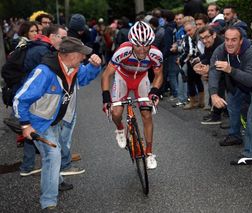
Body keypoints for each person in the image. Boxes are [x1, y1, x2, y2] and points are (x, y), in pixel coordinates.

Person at [13, 37, 102, 210]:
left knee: (58, 152)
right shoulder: (44, 72)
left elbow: (84, 78)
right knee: (52, 156)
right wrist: (25, 125)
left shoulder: (74, 68)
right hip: (40, 123)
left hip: (60, 120)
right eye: (81, 54)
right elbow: (20, 99)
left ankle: (57, 181)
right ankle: (48, 201)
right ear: (69, 54)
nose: (84, 57)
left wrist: (94, 67)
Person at [208, 27, 252, 165]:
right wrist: (214, 94)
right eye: (227, 39)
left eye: (234, 40)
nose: (229, 43)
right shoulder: (221, 49)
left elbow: (251, 80)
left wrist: (230, 69)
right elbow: (214, 70)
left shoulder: (250, 52)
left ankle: (251, 153)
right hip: (245, 86)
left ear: (241, 41)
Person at [101, 21, 163, 169]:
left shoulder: (155, 54)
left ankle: (149, 153)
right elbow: (106, 75)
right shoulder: (122, 52)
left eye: (146, 45)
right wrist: (106, 98)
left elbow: (159, 75)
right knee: (116, 112)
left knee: (147, 115)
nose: (142, 50)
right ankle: (120, 128)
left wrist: (154, 92)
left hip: (141, 79)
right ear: (131, 43)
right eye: (138, 45)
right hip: (122, 77)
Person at [193, 26, 224, 125]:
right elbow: (208, 57)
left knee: (218, 89)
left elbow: (220, 63)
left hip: (228, 72)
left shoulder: (221, 45)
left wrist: (208, 69)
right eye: (202, 38)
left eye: (207, 37)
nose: (204, 41)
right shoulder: (209, 45)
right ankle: (215, 113)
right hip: (219, 72)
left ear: (214, 35)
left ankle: (218, 115)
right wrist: (200, 64)